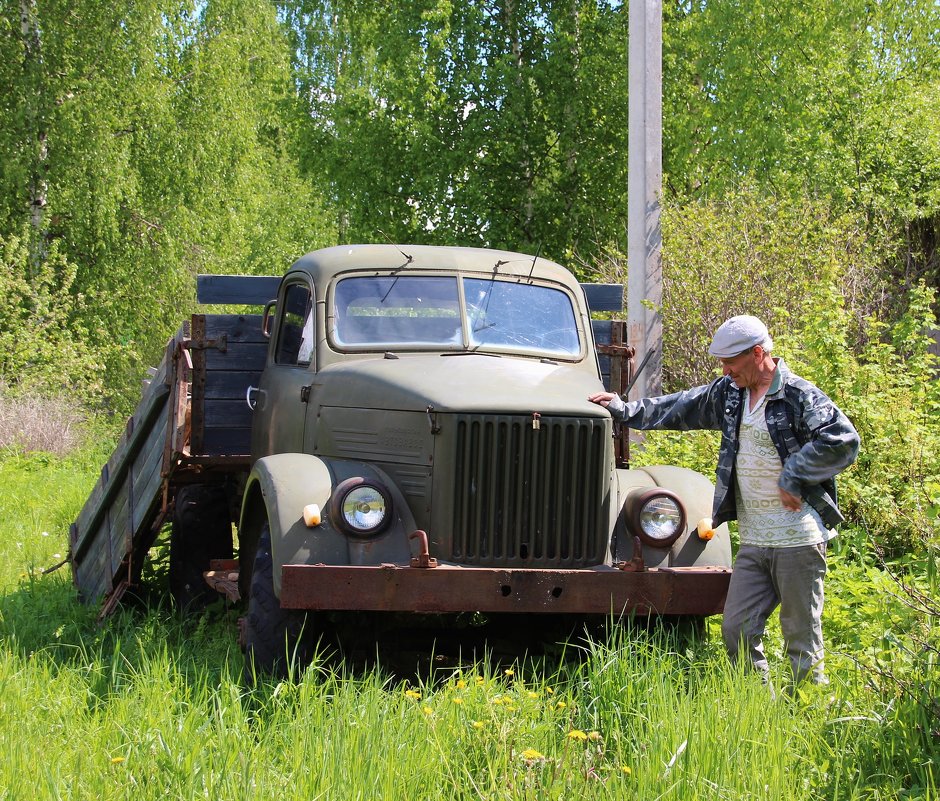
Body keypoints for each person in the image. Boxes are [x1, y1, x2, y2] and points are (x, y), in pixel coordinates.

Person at [589, 315, 860, 688]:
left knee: (801, 637)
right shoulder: (731, 393)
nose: (725, 369)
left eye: (731, 361)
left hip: (797, 539)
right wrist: (624, 410)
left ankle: (810, 714)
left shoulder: (799, 396)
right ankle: (759, 707)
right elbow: (682, 406)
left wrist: (795, 475)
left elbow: (844, 440)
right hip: (754, 539)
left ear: (759, 353)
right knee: (737, 629)